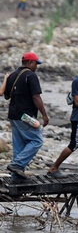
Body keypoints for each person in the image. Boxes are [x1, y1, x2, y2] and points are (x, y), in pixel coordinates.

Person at [3, 53, 48, 181]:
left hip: (13, 114)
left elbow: (6, 96)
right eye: (35, 64)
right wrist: (44, 115)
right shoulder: (31, 75)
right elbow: (36, 97)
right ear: (29, 63)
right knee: (37, 141)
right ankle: (17, 165)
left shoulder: (12, 75)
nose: (36, 67)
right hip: (25, 115)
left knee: (19, 145)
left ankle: (16, 177)